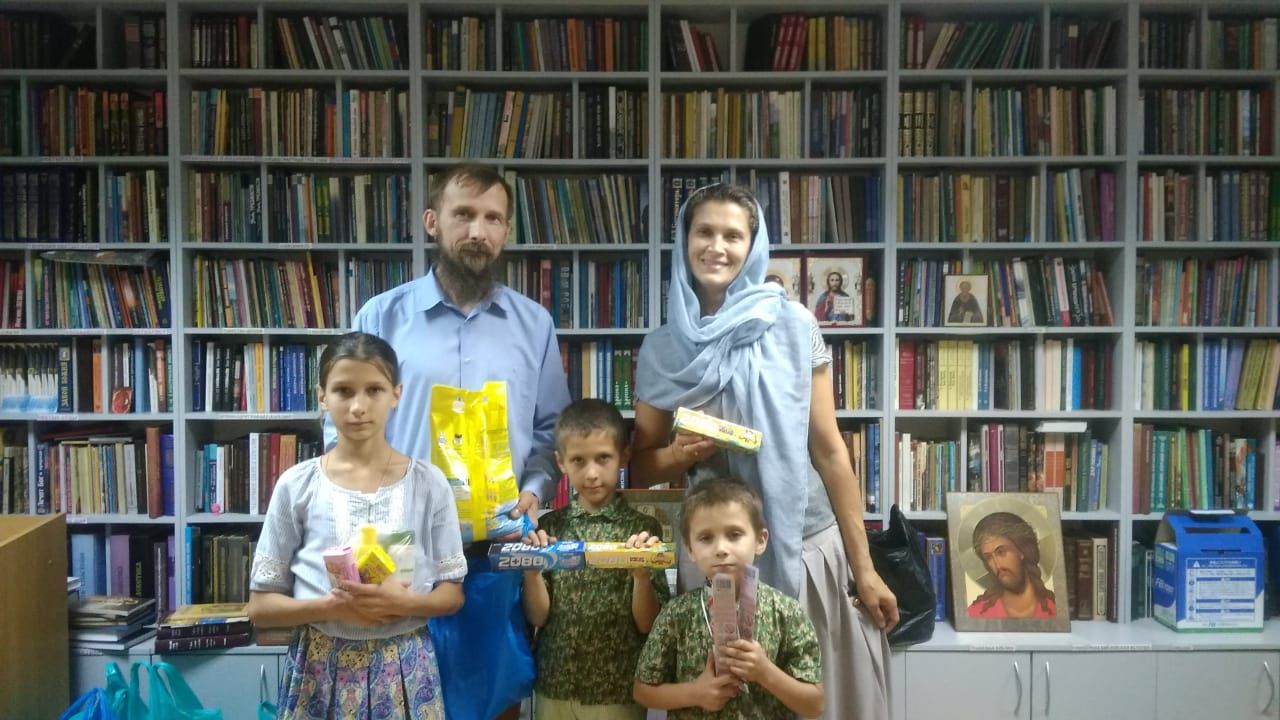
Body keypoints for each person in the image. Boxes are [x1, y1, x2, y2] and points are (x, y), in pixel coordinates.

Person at [630, 183, 898, 719]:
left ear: (753, 247)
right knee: (724, 696)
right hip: (715, 550)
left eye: (733, 236)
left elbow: (830, 453)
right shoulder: (662, 348)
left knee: (811, 695)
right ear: (684, 241)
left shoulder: (794, 325)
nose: (717, 247)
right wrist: (682, 455)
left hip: (805, 545)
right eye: (705, 232)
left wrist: (864, 568)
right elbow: (641, 465)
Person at [326, 163, 573, 720]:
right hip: (398, 550)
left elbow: (550, 431)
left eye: (492, 218)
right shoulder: (381, 317)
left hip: (495, 552)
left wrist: (535, 488)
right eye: (463, 215)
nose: (477, 231)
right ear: (433, 222)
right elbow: (342, 425)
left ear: (505, 230)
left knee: (496, 701)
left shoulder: (534, 324)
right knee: (397, 701)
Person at [248, 332, 466, 719]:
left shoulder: (429, 484)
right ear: (322, 396)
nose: (358, 407)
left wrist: (407, 603)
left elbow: (452, 594)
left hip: (404, 666)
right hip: (319, 667)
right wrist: (330, 608)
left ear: (396, 394)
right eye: (344, 391)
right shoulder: (298, 485)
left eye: (374, 390)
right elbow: (261, 608)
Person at [521, 398, 670, 720]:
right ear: (561, 462)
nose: (591, 473)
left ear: (624, 455)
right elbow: (538, 618)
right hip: (554, 686)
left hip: (617, 691)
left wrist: (641, 576)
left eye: (603, 458)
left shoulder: (644, 530)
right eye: (578, 460)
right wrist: (532, 571)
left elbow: (648, 623)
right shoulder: (550, 528)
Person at [633, 477, 824, 719]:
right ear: (690, 550)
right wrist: (695, 693)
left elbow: (814, 704)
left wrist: (765, 672)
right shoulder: (676, 614)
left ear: (760, 540)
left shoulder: (787, 612)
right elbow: (642, 691)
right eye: (706, 538)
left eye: (734, 535)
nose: (721, 549)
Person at [966, 511, 1057, 619]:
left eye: (1001, 552)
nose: (997, 565)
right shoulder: (976, 613)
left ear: (1022, 550)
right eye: (988, 558)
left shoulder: (1055, 608)